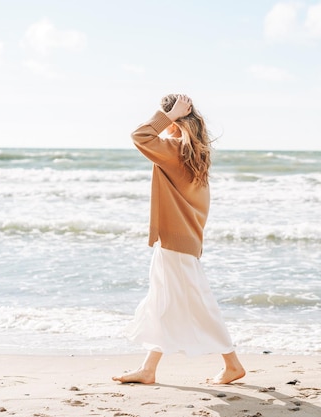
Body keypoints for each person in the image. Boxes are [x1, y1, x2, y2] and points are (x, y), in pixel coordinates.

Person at [112, 94, 245, 385]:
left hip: (176, 243)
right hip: (182, 242)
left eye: (166, 115)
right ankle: (148, 369)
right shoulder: (195, 154)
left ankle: (232, 363)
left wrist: (167, 115)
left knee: (199, 303)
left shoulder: (173, 150)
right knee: (163, 302)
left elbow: (139, 135)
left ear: (175, 118)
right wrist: (173, 116)